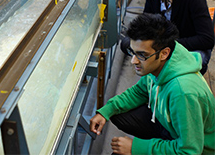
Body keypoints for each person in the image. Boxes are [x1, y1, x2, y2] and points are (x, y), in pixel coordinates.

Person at [90, 13, 215, 155]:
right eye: (133, 52)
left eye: (141, 55)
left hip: (197, 150)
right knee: (116, 113)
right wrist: (106, 110)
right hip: (170, 128)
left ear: (164, 53)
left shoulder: (183, 93)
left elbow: (189, 151)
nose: (134, 61)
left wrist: (136, 148)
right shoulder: (158, 65)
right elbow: (139, 92)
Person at [121, 0, 214, 75]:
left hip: (191, 48)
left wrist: (165, 45)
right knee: (126, 44)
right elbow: (147, 22)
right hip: (164, 44)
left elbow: (207, 39)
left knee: (180, 72)